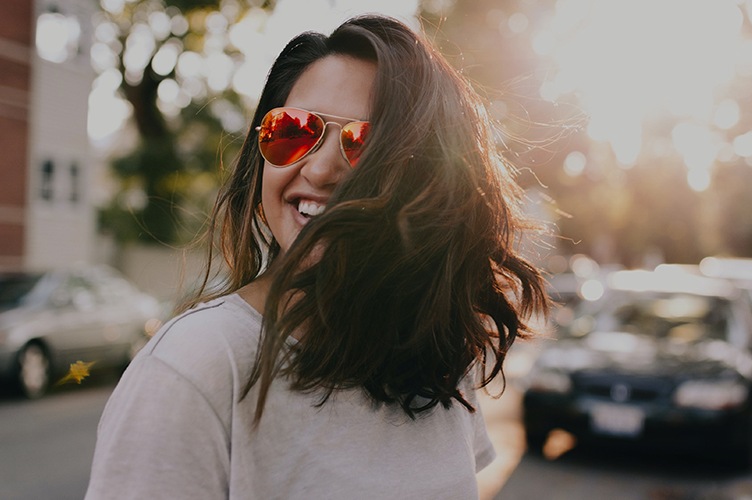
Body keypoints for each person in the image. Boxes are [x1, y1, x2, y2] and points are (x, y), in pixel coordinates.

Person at [85, 14, 548, 500]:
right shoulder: (196, 365)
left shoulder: (437, 356)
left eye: (366, 144)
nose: (321, 168)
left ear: (431, 182)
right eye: (293, 130)